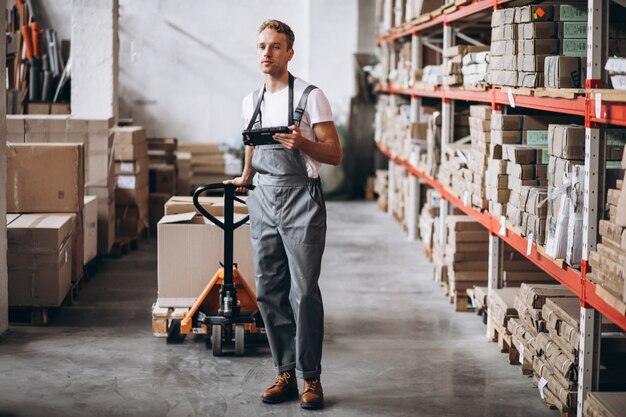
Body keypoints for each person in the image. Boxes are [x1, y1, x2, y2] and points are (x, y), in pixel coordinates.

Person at [225, 19, 342, 410]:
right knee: (270, 290)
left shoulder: (311, 96)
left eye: (275, 46)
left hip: (301, 199)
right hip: (262, 199)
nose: (266, 53)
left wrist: (303, 143)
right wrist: (244, 177)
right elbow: (251, 146)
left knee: (304, 290)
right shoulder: (250, 101)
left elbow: (335, 154)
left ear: (289, 53)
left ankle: (312, 378)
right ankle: (285, 372)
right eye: (261, 46)